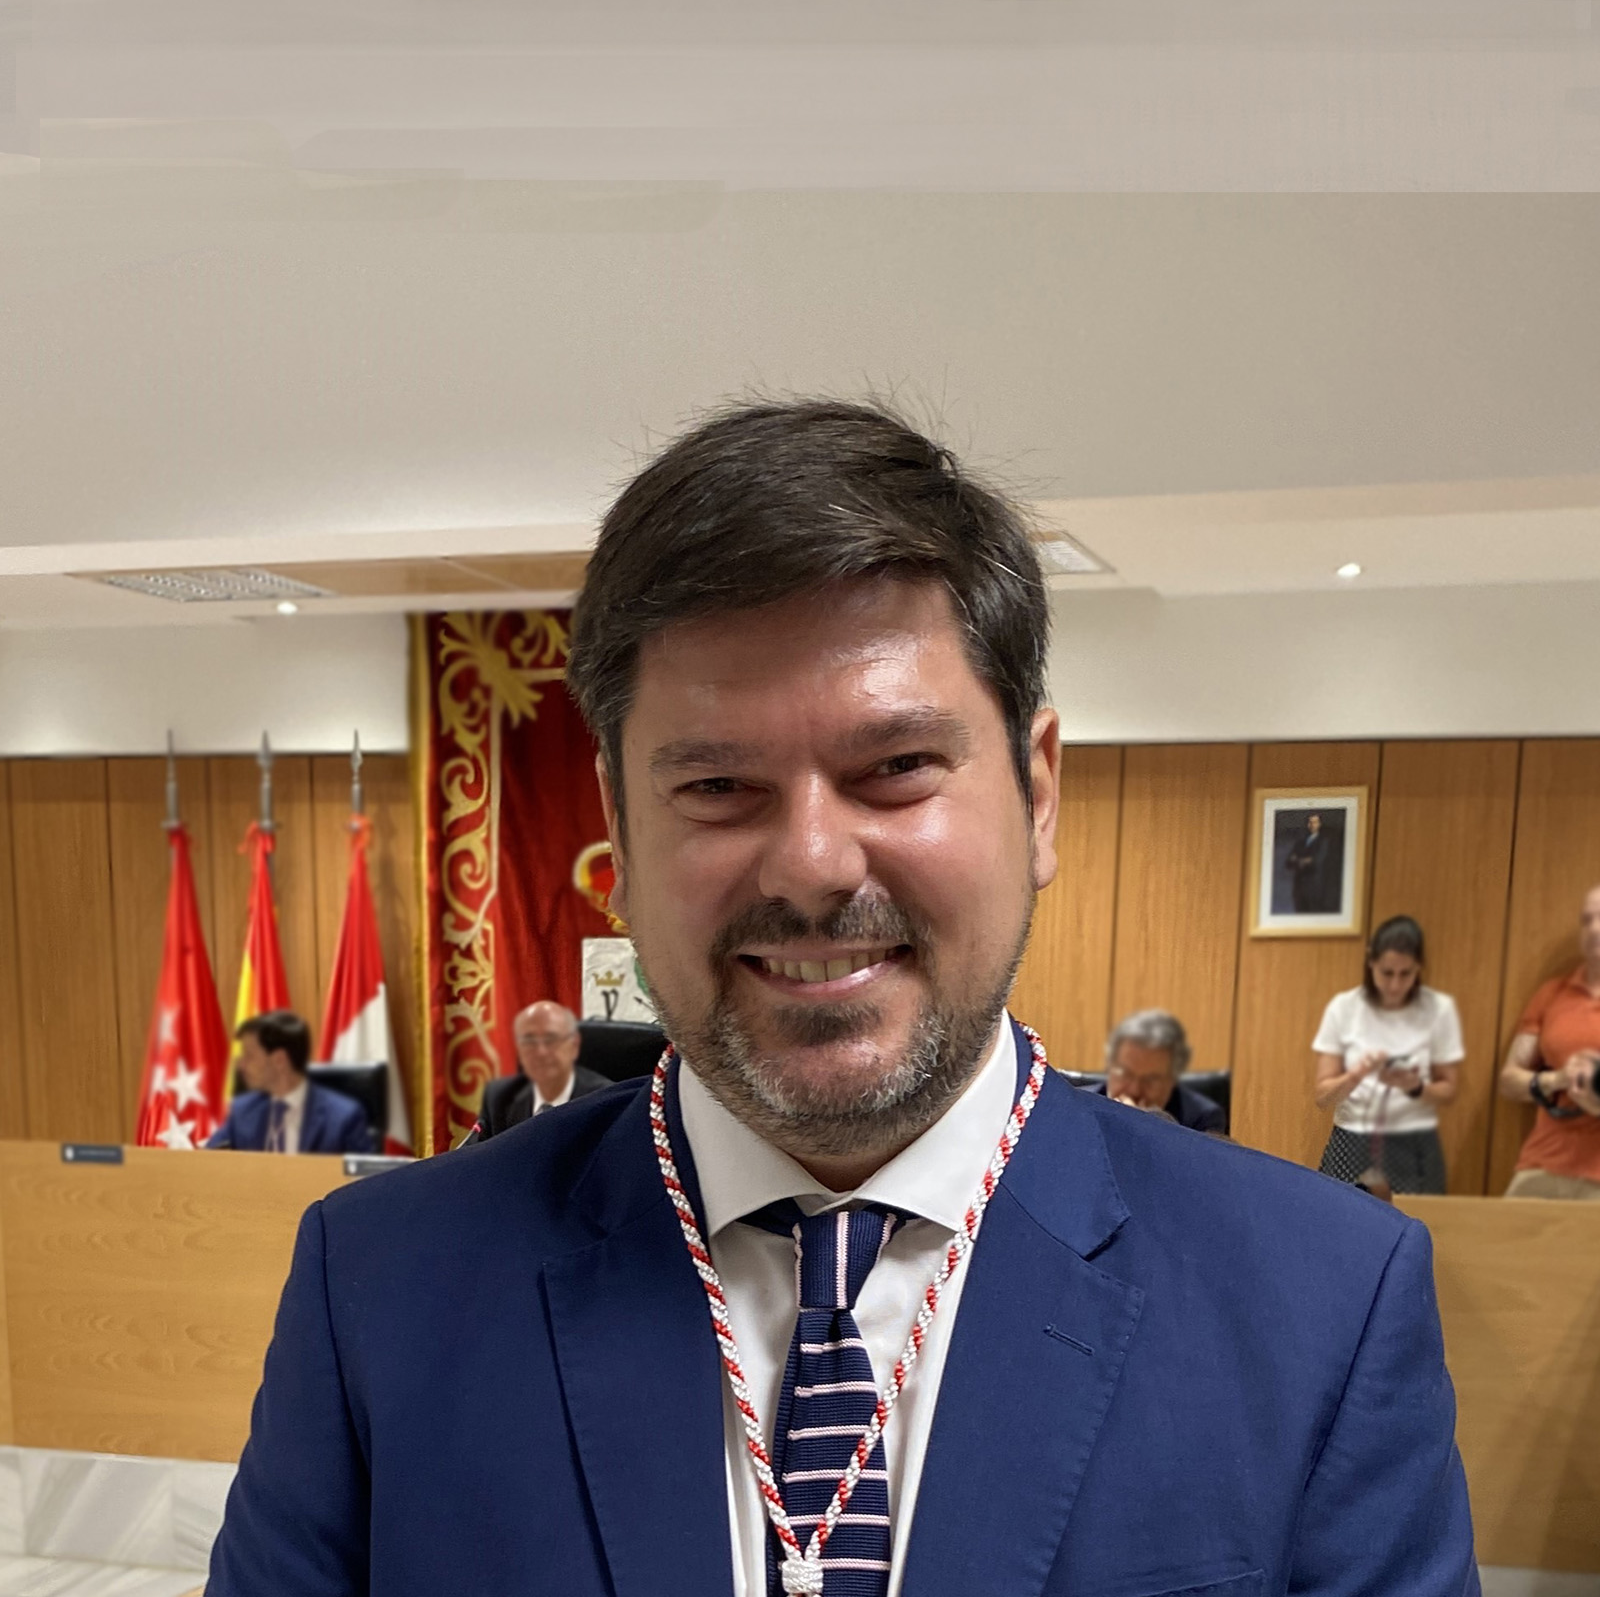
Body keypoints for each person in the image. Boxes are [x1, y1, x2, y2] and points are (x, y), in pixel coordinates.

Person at [208, 401, 1474, 1597]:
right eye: (716, 786)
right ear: (619, 830)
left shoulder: (1320, 1302)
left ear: (1037, 795)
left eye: (897, 766)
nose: (811, 864)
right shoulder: (381, 1290)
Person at [1311, 916, 1464, 1196]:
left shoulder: (1438, 1009)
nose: (1395, 985)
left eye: (1406, 974)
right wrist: (1355, 1075)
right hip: (1351, 1139)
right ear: (1371, 963)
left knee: (1415, 1222)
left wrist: (1415, 1087)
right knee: (1338, 1218)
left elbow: (1449, 1090)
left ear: (1419, 967)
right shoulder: (1344, 1008)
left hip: (1414, 1140)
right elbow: (1322, 1097)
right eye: (1387, 973)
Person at [1498, 883, 1600, 1200]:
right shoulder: (1552, 994)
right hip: (1543, 1163)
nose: (1594, 928)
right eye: (1586, 919)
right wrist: (1558, 1080)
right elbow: (1508, 1079)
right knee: (1501, 1231)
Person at [205, 1010, 371, 1156]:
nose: (241, 1065)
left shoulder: (343, 1117)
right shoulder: (243, 1110)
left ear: (279, 1060)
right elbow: (209, 1159)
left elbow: (366, 1177)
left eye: (249, 1055)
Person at [465, 1000, 612, 1143]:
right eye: (529, 1041)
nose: (541, 1052)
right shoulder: (499, 1098)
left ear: (574, 1045)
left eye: (551, 1039)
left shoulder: (605, 1100)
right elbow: (477, 1155)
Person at [1092, 1009, 1225, 1133]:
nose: (1135, 1090)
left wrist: (1146, 1124)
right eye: (1125, 1074)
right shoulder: (1081, 1103)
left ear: (1173, 1080)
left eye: (1150, 1080)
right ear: (1108, 1066)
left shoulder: (1204, 1118)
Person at [1284, 811, 1336, 913]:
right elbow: (1289, 863)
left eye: (1315, 822)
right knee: (1300, 913)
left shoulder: (1323, 842)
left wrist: (1298, 859)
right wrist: (1304, 860)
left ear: (1320, 824)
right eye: (1310, 822)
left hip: (1314, 886)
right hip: (1299, 887)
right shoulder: (1300, 842)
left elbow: (1316, 862)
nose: (1312, 825)